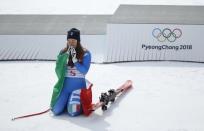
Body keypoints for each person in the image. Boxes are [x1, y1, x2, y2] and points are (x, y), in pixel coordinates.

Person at [50, 28, 92, 116]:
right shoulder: (63, 52)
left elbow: (84, 71)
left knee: (72, 111)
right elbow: (57, 70)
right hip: (65, 88)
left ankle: (76, 101)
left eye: (73, 40)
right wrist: (63, 61)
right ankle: (66, 101)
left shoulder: (85, 53)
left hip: (78, 88)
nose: (71, 43)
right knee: (56, 110)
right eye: (69, 40)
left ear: (78, 41)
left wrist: (75, 60)